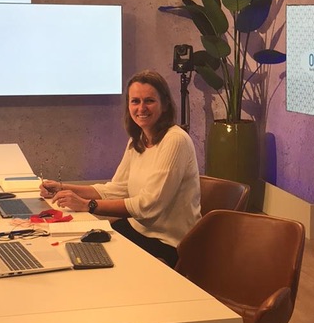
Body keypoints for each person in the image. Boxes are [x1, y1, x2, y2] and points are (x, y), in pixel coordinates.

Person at [40, 70, 200, 267]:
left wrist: (88, 205)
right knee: (72, 251)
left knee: (91, 264)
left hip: (167, 243)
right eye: (135, 101)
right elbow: (117, 189)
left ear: (165, 104)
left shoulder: (175, 140)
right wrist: (63, 188)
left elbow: (148, 206)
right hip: (136, 229)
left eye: (149, 101)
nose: (141, 108)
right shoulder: (137, 140)